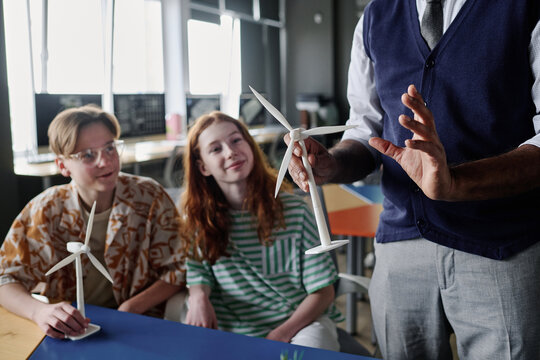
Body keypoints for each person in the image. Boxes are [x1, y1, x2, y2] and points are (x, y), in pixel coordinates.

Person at [286, 1, 540, 359]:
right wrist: (331, 163)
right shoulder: (375, 17)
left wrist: (456, 181)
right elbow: (365, 131)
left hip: (502, 244)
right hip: (401, 242)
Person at [0, 104, 186, 339]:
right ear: (62, 165)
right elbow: (5, 278)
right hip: (67, 331)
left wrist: (130, 309)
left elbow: (179, 268)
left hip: (138, 325)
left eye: (110, 148)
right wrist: (40, 312)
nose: (105, 161)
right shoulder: (45, 210)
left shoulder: (149, 197)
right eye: (87, 154)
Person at [180, 111, 343, 351]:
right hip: (233, 331)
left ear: (249, 145)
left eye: (236, 140)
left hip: (299, 324)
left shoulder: (295, 211)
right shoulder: (199, 219)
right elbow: (197, 269)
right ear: (203, 167)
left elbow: (323, 292)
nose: (230, 151)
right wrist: (198, 296)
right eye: (215, 149)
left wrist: (279, 334)